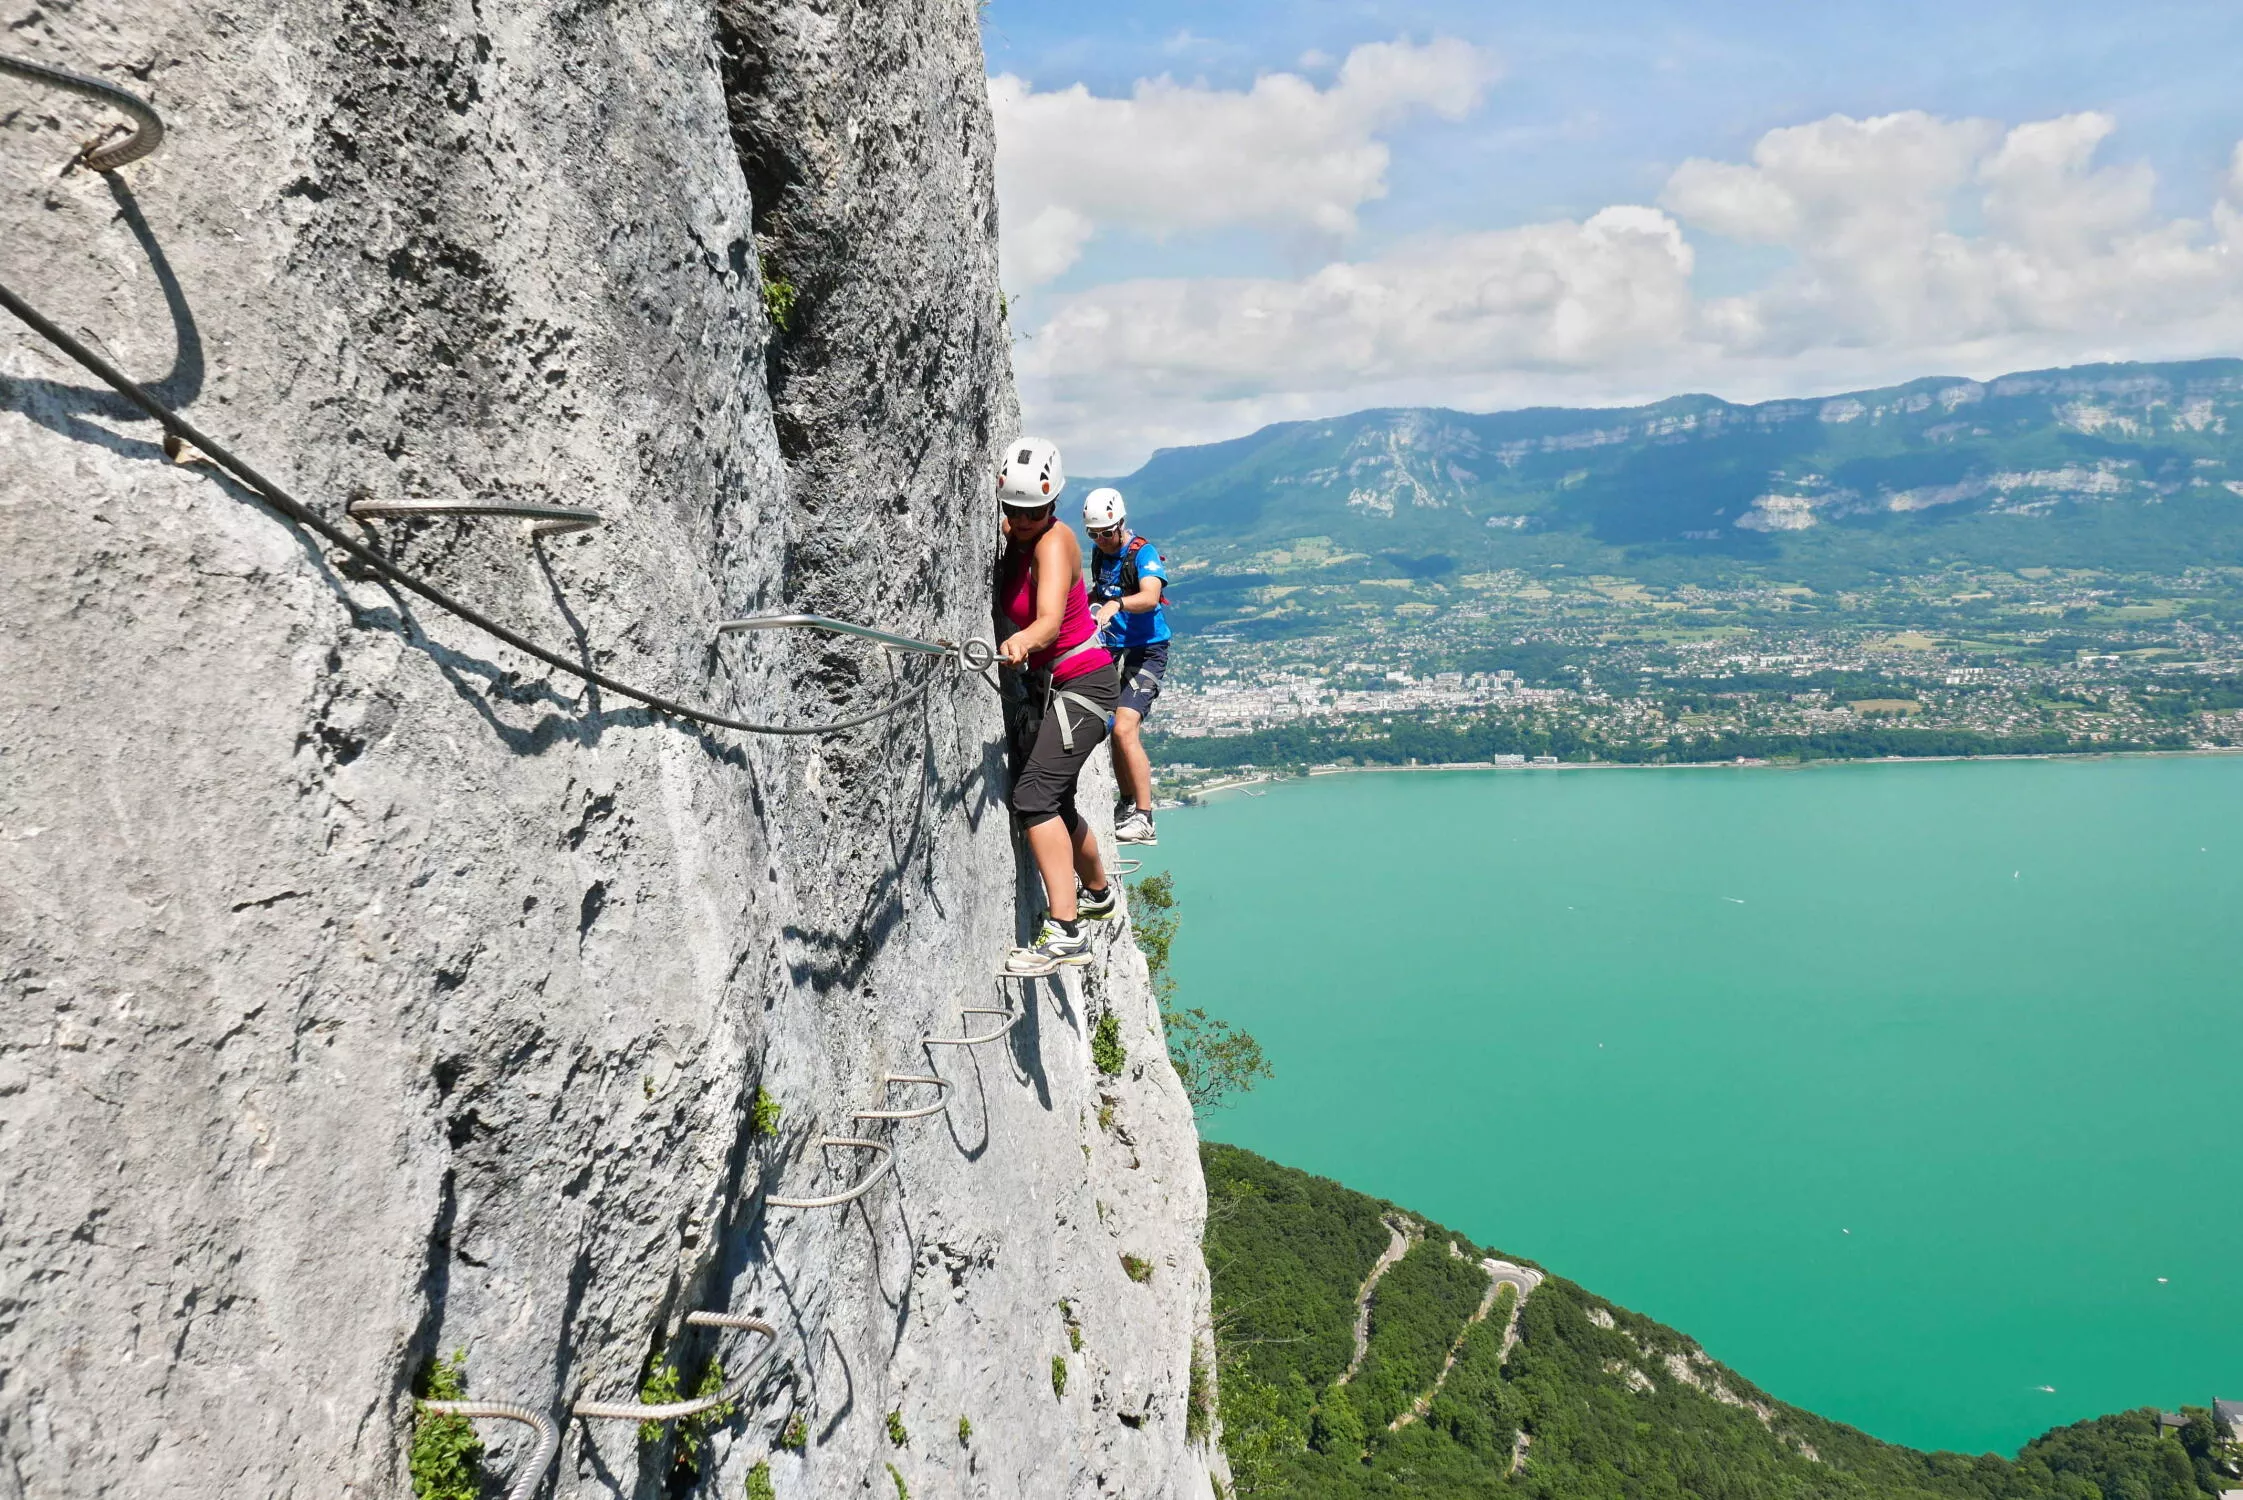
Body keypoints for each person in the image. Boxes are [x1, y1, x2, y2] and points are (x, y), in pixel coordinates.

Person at [994, 438, 1121, 975]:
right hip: (1063, 687)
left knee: (1034, 799)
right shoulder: (1022, 536)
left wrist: (1023, 642)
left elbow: (1048, 620)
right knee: (1059, 804)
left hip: (1084, 686)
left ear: (1054, 506)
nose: (1022, 522)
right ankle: (1097, 892)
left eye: (1034, 512)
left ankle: (1066, 931)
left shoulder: (1054, 542)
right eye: (1014, 512)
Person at [1082, 487, 1169, 845]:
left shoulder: (1142, 553)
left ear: (1121, 524)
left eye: (1106, 533)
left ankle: (1145, 817)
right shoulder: (1099, 555)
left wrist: (1117, 604)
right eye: (1093, 534)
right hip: (1114, 648)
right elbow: (1097, 593)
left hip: (1147, 650)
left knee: (1124, 728)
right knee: (1112, 726)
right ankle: (1128, 802)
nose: (1100, 540)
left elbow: (1149, 596)